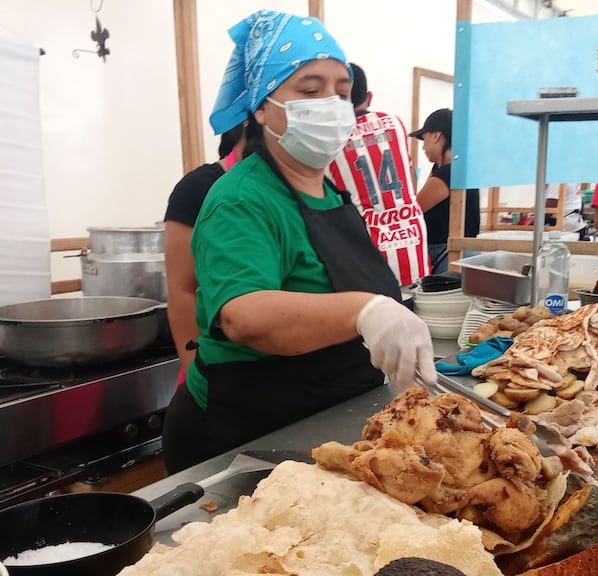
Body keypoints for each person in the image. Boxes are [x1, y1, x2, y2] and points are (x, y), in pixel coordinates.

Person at [161, 9, 435, 474]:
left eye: (342, 92)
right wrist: (363, 311)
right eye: (309, 90)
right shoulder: (241, 198)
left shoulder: (329, 190)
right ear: (262, 106)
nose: (330, 104)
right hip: (248, 437)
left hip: (328, 419)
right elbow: (245, 315)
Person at [328, 63, 430, 286]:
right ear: (369, 97)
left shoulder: (332, 137)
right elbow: (410, 179)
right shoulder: (395, 123)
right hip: (412, 238)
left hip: (367, 250)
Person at [164, 124, 247, 382]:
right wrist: (196, 375)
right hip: (218, 373)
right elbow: (183, 291)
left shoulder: (317, 187)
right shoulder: (198, 188)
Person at [410, 108, 480, 274]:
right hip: (462, 253)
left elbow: (414, 209)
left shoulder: (447, 173)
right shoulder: (459, 169)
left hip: (448, 255)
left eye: (424, 138)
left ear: (436, 136)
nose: (423, 148)